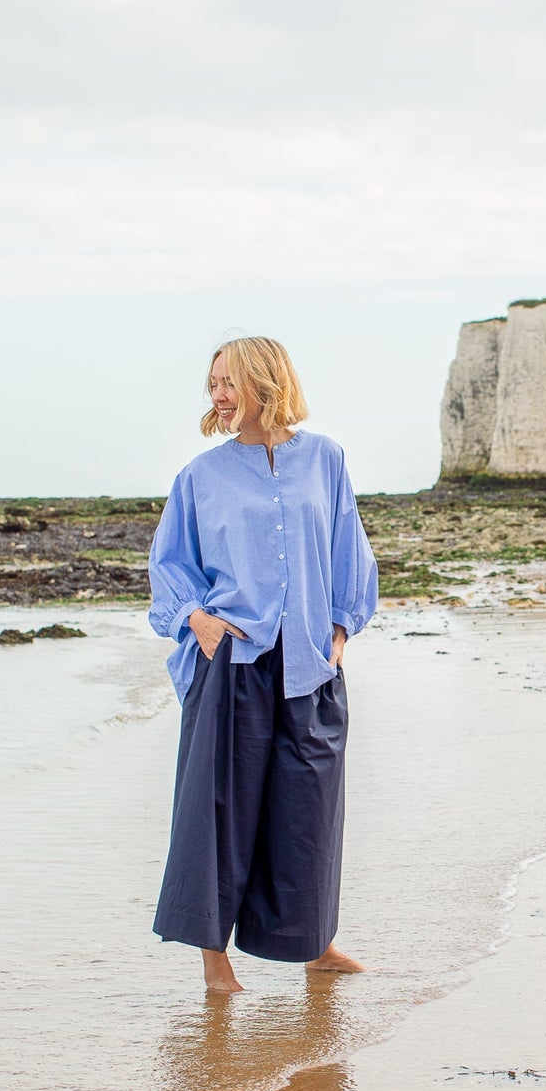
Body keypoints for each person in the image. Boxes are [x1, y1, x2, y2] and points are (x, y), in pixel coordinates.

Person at [147, 336, 378, 991]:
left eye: (227, 382)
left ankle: (315, 945)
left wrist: (340, 628)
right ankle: (214, 963)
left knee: (309, 806)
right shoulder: (200, 477)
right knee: (218, 812)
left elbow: (346, 548)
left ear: (265, 382)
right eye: (211, 384)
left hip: (307, 661)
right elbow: (168, 568)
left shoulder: (324, 460)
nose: (217, 396)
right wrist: (195, 619)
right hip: (232, 662)